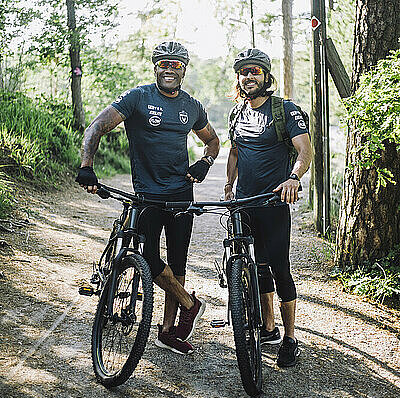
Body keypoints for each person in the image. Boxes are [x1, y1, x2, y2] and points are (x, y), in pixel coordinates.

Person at [76, 41, 220, 355]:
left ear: (184, 69)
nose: (169, 68)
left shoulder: (192, 106)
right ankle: (189, 303)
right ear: (155, 66)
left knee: (178, 263)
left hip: (182, 195)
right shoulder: (138, 98)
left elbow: (213, 141)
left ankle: (168, 332)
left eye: (176, 64)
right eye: (163, 63)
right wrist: (87, 166)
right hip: (148, 195)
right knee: (151, 259)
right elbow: (97, 127)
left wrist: (205, 163)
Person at [224, 48, 312, 367]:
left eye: (255, 71)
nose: (249, 76)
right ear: (239, 79)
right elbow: (234, 153)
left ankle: (290, 338)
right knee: (256, 267)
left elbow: (305, 150)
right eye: (244, 72)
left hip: (274, 202)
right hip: (244, 204)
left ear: (266, 76)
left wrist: (293, 178)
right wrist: (228, 186)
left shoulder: (285, 110)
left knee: (278, 268)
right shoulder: (237, 114)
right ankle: (268, 327)